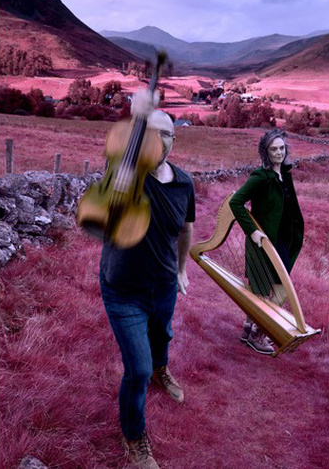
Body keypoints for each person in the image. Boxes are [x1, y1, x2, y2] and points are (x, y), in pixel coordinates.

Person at [98, 89, 194, 469]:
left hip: (164, 284)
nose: (158, 140)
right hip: (123, 290)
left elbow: (185, 230)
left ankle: (162, 369)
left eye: (166, 133)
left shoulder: (184, 183)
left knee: (163, 336)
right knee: (135, 370)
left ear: (174, 139)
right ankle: (134, 436)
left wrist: (183, 268)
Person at [228, 128, 304, 355]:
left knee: (270, 287)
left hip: (283, 240)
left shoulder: (285, 174)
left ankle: (249, 329)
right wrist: (252, 231)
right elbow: (235, 203)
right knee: (270, 289)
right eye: (274, 149)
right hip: (263, 241)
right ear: (266, 152)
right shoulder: (260, 178)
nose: (279, 153)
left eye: (281, 148)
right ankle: (259, 334)